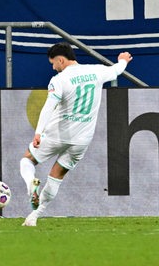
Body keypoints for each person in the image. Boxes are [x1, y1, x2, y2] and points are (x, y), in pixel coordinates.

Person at [20, 42, 133, 226]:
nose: (53, 67)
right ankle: (34, 216)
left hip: (57, 134)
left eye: (53, 63)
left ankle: (30, 185)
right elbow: (116, 71)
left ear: (61, 60)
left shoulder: (59, 80)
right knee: (57, 175)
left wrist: (38, 132)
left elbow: (49, 107)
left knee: (27, 160)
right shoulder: (96, 71)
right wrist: (122, 60)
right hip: (82, 139)